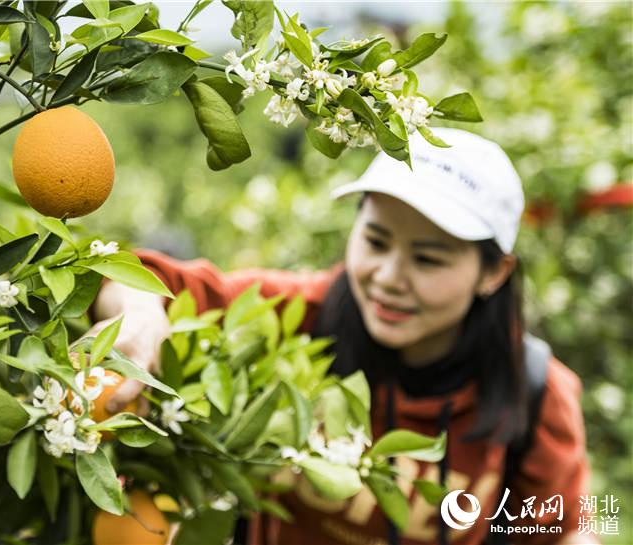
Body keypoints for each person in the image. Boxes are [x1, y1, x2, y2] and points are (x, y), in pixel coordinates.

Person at [88, 128, 594, 545]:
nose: (389, 277)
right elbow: (130, 277)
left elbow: (567, 530)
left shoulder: (535, 392)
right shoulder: (292, 315)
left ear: (494, 273)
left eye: (427, 259)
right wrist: (138, 313)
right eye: (376, 241)